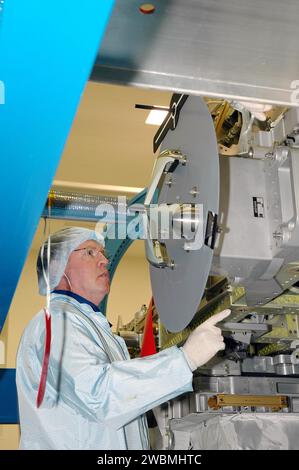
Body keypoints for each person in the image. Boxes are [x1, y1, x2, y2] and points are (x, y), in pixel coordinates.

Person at [16, 227, 230, 450]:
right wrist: (184, 359)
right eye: (90, 252)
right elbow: (99, 394)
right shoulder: (58, 322)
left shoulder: (86, 324)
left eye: (103, 254)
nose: (104, 261)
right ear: (56, 267)